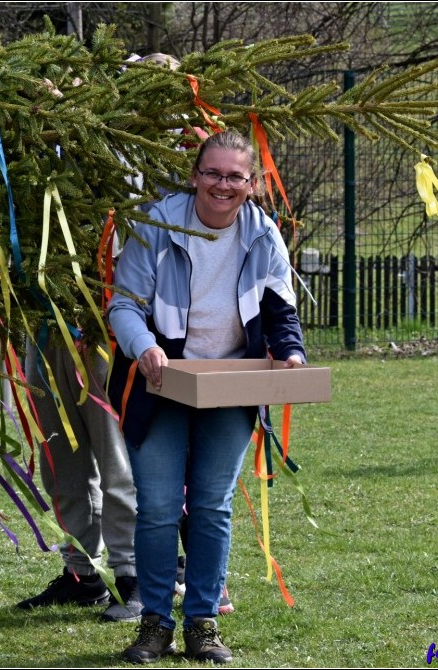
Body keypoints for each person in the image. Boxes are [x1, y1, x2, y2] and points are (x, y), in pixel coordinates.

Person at [107, 131, 306, 663]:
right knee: (158, 508)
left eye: (234, 176)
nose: (222, 185)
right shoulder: (156, 224)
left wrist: (291, 357)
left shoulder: (263, 235)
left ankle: (202, 624)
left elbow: (281, 310)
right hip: (160, 383)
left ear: (251, 184)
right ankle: (154, 623)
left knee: (214, 507)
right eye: (213, 173)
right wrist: (145, 347)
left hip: (231, 384)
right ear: (195, 176)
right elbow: (124, 305)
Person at [16, 335, 142, 623]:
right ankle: (81, 575)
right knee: (60, 463)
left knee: (116, 462)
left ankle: (133, 576)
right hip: (42, 333)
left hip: (98, 327)